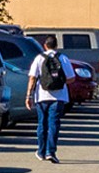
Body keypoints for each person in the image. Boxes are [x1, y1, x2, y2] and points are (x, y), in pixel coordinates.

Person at [25, 35, 75, 163]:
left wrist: (29, 95)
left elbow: (32, 77)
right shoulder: (63, 58)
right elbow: (71, 78)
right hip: (59, 96)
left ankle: (41, 151)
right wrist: (59, 81)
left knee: (42, 123)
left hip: (41, 96)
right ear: (56, 45)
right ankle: (50, 152)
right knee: (54, 124)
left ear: (45, 46)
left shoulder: (39, 58)